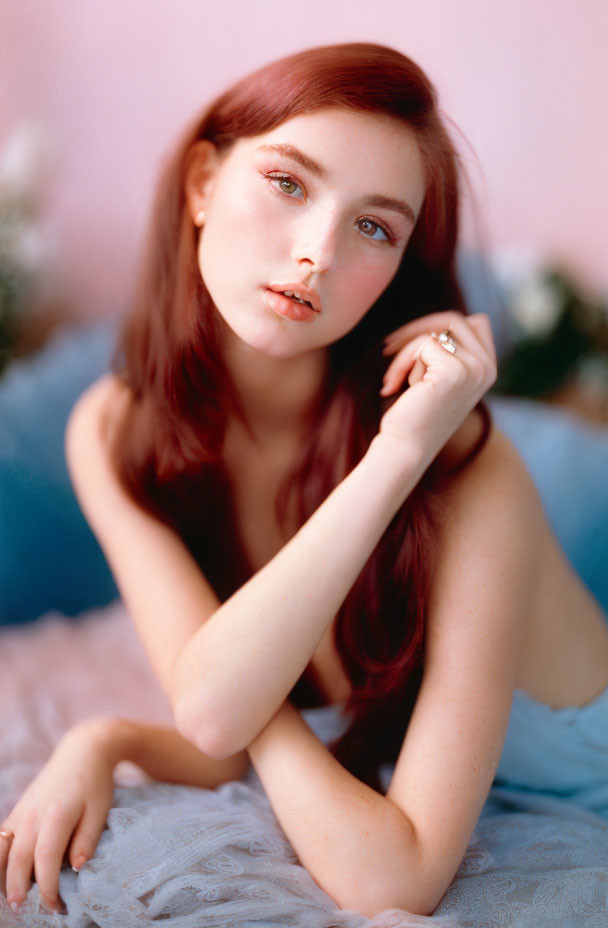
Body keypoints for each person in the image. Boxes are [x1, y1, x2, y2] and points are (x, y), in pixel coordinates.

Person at [1, 42, 607, 927]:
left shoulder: (467, 465)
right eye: (289, 183)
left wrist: (396, 457)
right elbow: (215, 715)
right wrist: (109, 739)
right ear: (203, 182)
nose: (316, 251)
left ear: (400, 267)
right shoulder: (111, 429)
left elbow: (392, 880)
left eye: (374, 227)